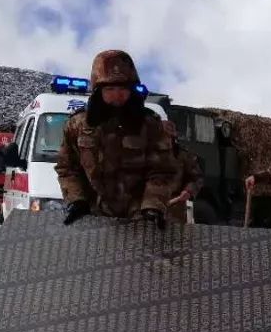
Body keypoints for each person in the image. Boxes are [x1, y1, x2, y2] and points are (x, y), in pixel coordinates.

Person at [54, 49, 178, 228]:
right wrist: (76, 200)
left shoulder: (150, 125)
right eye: (110, 89)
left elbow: (162, 171)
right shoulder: (78, 125)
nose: (117, 95)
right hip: (93, 220)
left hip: (140, 221)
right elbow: (67, 168)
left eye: (123, 88)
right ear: (98, 91)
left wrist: (152, 205)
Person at [162, 120, 204, 225]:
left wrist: (188, 191)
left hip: (175, 208)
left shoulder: (184, 156)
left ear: (173, 138)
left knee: (174, 238)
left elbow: (196, 178)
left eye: (167, 137)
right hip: (150, 206)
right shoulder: (148, 154)